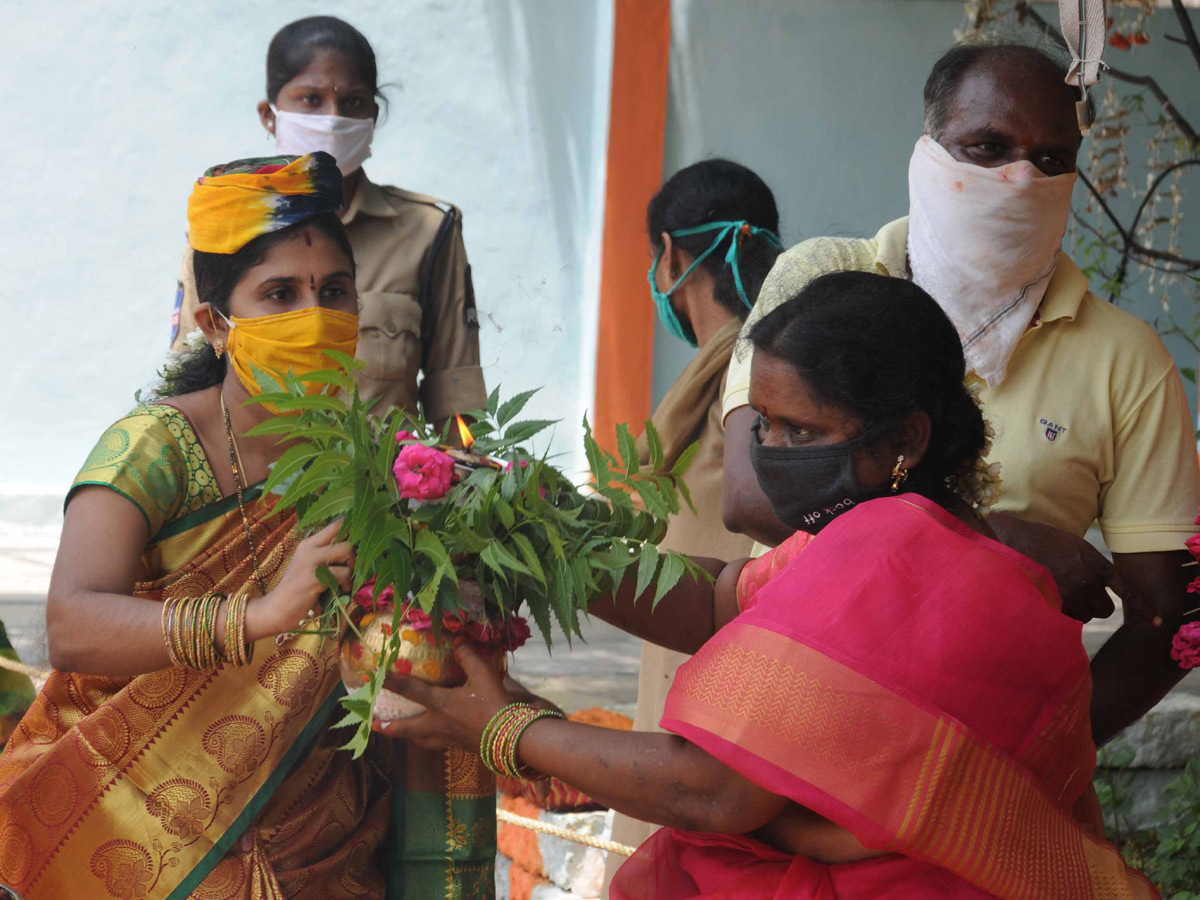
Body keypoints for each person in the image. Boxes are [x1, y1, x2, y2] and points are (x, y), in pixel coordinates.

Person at [382, 272, 1158, 899]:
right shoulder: (919, 535)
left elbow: (713, 792)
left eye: (805, 433)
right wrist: (544, 528)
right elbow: (722, 599)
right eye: (767, 426)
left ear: (907, 439)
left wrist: (499, 724)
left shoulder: (893, 556)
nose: (772, 454)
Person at [0, 154, 495, 900]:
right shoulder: (155, 448)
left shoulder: (376, 464)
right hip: (124, 827)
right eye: (280, 295)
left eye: (334, 291)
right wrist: (260, 616)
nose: (315, 315)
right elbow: (72, 622)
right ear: (214, 323)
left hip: (319, 843)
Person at [721, 42, 1200, 746]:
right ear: (929, 151)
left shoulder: (1126, 361)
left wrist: (1037, 750)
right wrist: (994, 537)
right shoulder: (827, 277)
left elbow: (1170, 616)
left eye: (1051, 160)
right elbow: (751, 494)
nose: (1018, 179)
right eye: (987, 147)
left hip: (989, 745)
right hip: (798, 714)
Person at [171, 15, 486, 425]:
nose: (333, 118)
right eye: (311, 99)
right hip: (255, 482)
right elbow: (192, 372)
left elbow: (455, 391)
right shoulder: (225, 224)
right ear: (270, 115)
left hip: (381, 485)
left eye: (352, 101)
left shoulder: (427, 231)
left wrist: (462, 481)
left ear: (373, 115)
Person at [605, 159, 781, 879]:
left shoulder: (747, 371)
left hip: (718, 662)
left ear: (670, 255)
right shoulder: (779, 364)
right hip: (716, 645)